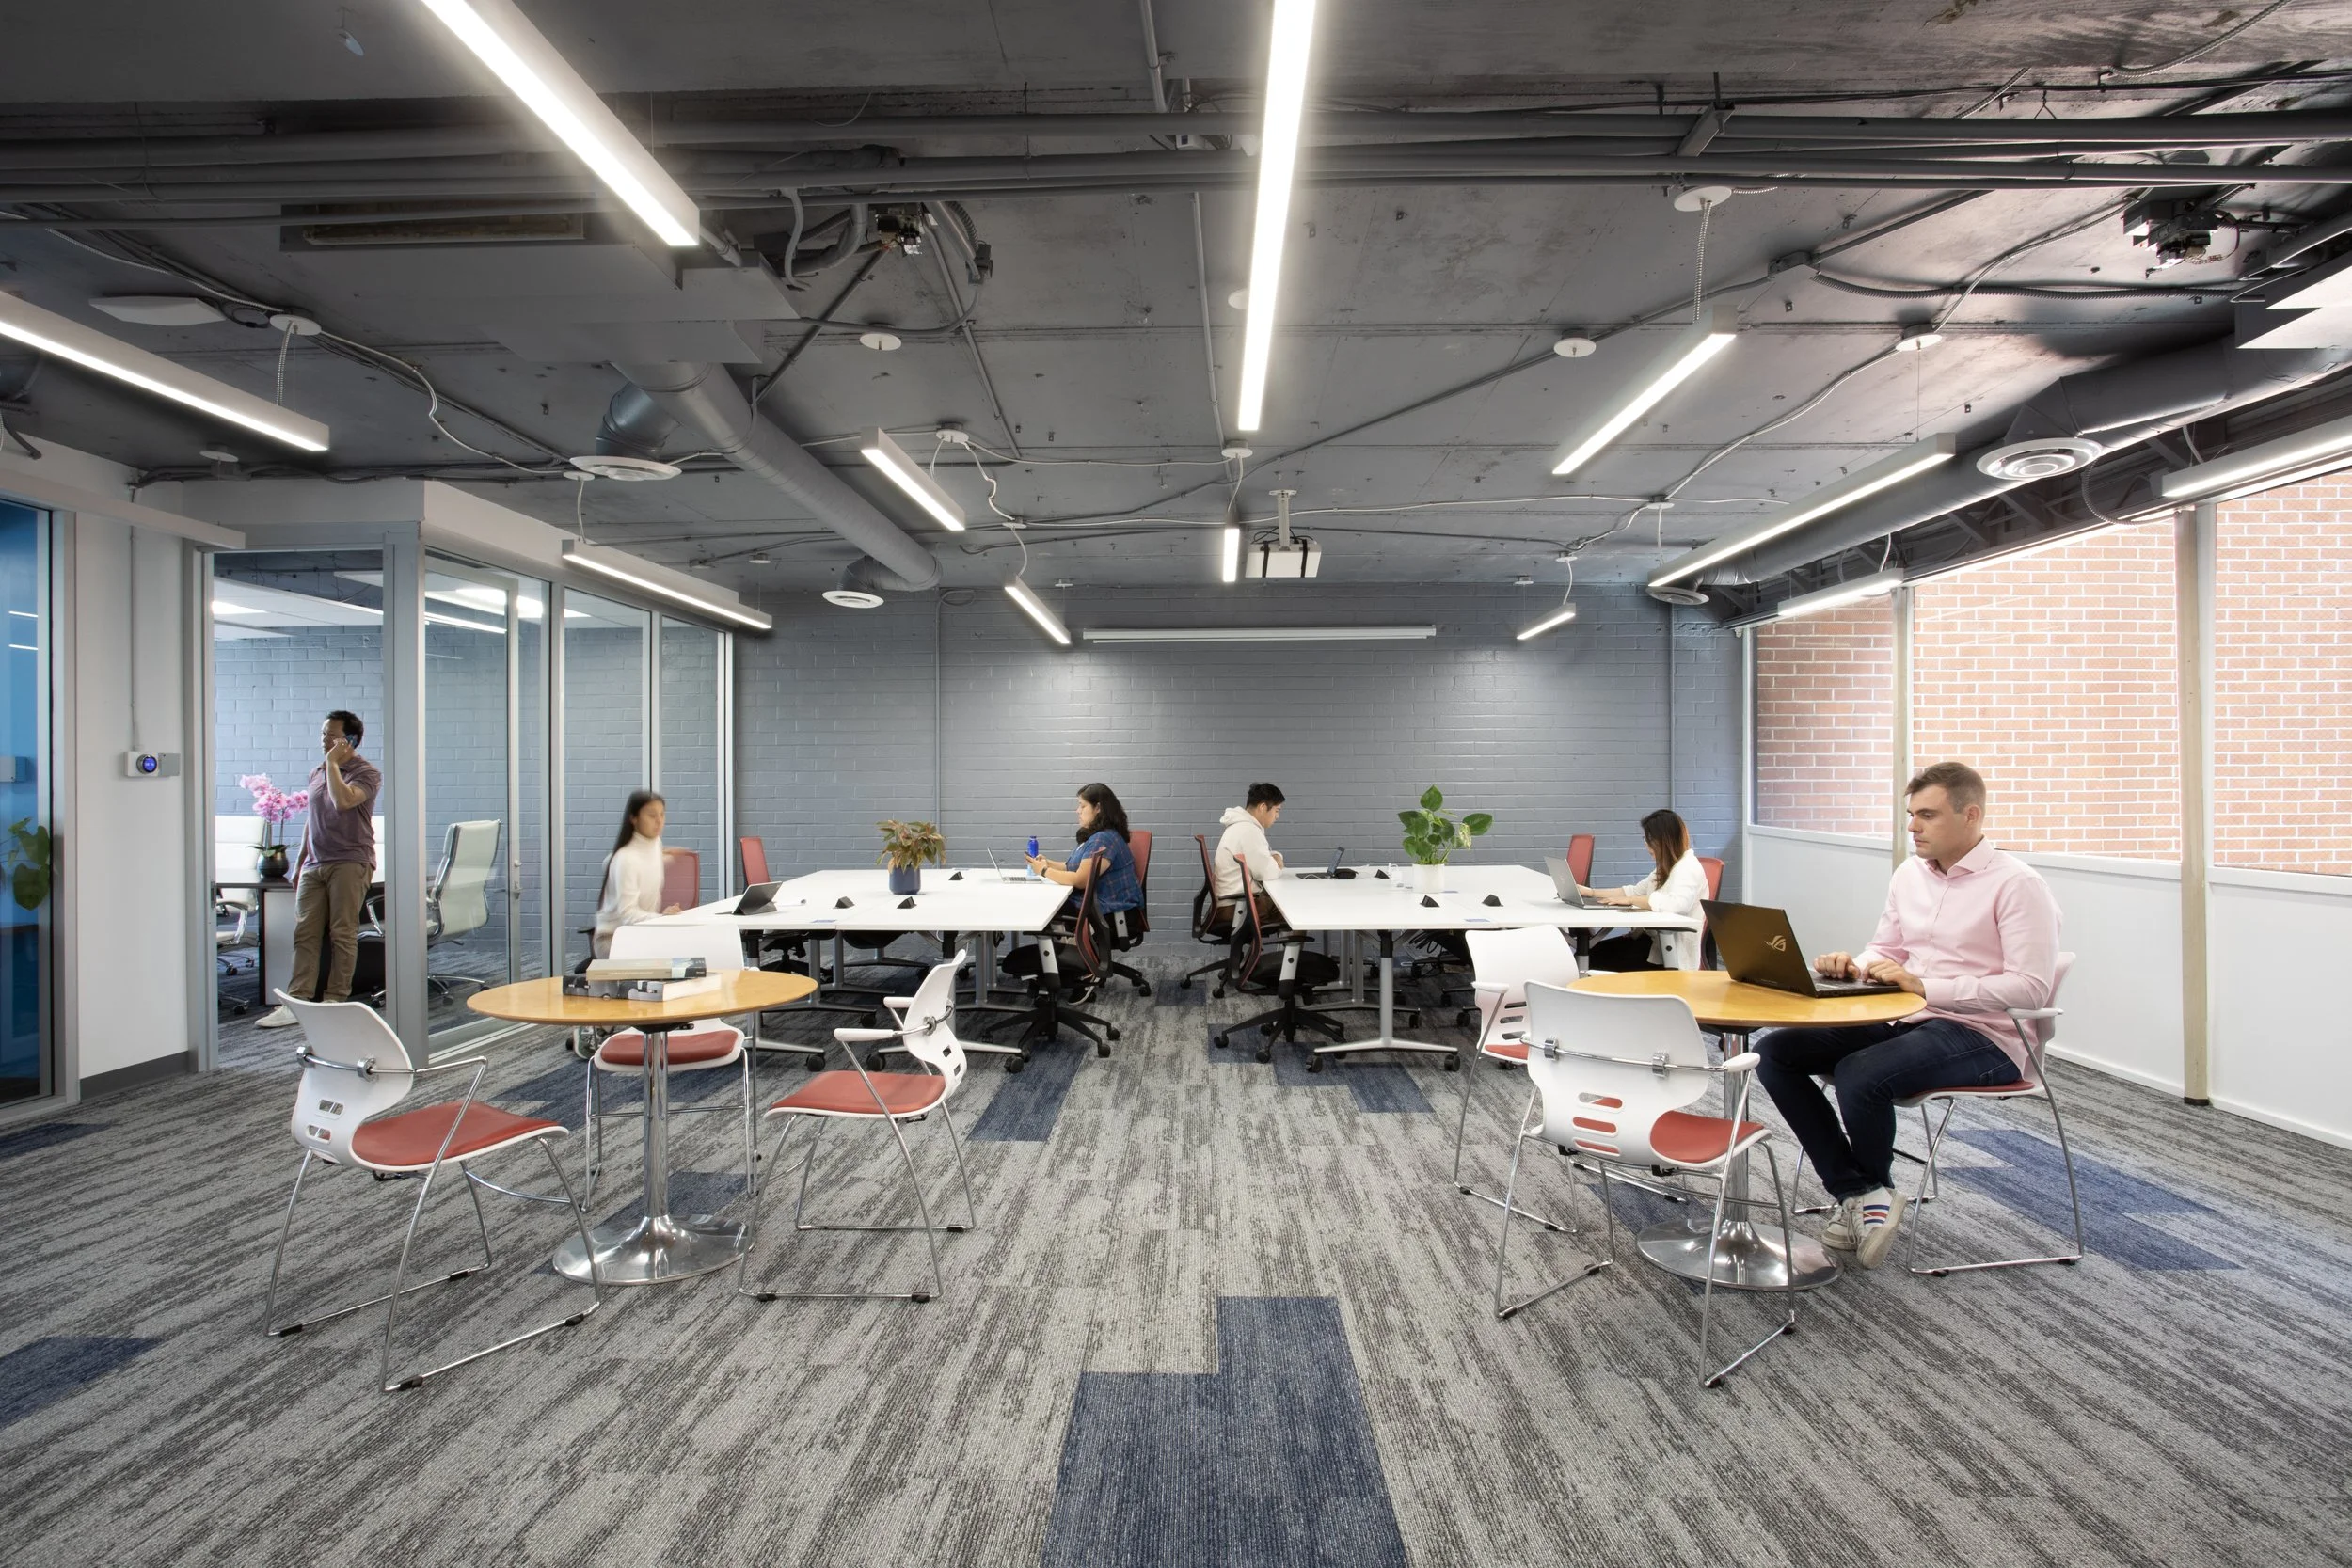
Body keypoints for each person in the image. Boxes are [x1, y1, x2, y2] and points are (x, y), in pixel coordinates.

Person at [1754, 761, 2059, 1270]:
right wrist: (1857, 964)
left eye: (1927, 815)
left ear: (1971, 816)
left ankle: (1866, 1198)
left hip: (1988, 1037)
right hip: (1910, 1017)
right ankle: (1861, 1194)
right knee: (1773, 1050)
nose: (1912, 827)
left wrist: (1926, 984)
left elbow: (2030, 987)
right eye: (1910, 816)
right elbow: (1885, 947)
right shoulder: (1909, 874)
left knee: (1860, 1072)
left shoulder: (2017, 885)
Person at [256, 710, 382, 1028]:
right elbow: (312, 821)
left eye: (330, 735)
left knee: (342, 932)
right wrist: (300, 862)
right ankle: (297, 1001)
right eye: (323, 733)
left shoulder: (366, 772)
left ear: (349, 739)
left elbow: (343, 802)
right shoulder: (316, 772)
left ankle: (335, 1000)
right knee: (305, 932)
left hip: (350, 861)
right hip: (315, 863)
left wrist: (332, 765)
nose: (323, 739)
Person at [1581, 808, 1707, 972]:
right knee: (1592, 953)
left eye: (1648, 840)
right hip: (1653, 942)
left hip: (1670, 952)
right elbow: (1633, 891)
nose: (1646, 846)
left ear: (1662, 841)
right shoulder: (1666, 867)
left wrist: (1632, 901)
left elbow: (1676, 904)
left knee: (1593, 957)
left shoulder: (1688, 868)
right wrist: (1591, 892)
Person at [1025, 783, 1143, 917]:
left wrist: (1044, 871)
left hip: (1110, 909)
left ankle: (1067, 938)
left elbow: (1080, 880)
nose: (1078, 810)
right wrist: (1047, 863)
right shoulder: (1097, 835)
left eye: (1082, 806)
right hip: (1101, 905)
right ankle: (1064, 938)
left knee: (1044, 906)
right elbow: (1072, 867)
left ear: (1098, 808)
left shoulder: (1103, 839)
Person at [593, 790, 684, 958]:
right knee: (673, 965)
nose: (659, 821)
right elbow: (627, 914)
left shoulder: (655, 844)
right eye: (651, 815)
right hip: (614, 939)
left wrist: (668, 855)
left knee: (688, 954)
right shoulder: (625, 859)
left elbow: (645, 861)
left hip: (642, 931)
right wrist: (661, 917)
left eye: (662, 815)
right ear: (633, 818)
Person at [1212, 782, 1287, 906]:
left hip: (1236, 900)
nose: (1277, 816)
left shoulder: (1242, 826)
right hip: (1238, 905)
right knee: (1290, 908)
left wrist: (1276, 856)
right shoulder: (1248, 831)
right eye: (1277, 810)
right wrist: (1277, 865)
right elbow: (1266, 873)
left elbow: (1261, 858)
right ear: (1263, 808)